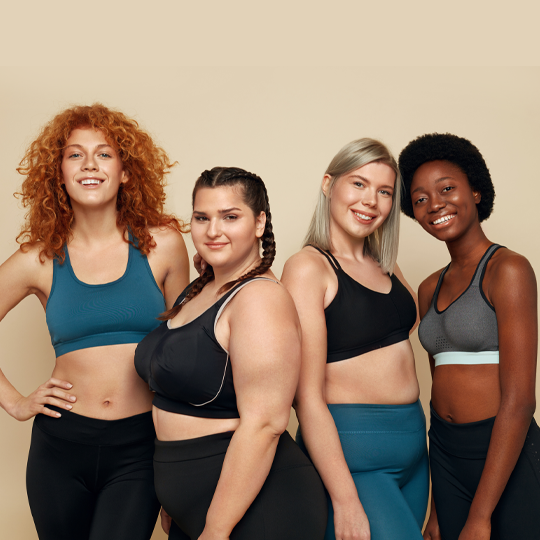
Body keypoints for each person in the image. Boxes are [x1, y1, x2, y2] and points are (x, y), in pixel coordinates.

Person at [0, 104, 190, 540]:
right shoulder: (38, 258)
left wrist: (183, 465)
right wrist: (14, 402)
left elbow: (185, 350)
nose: (89, 164)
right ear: (58, 174)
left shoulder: (162, 243)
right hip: (60, 448)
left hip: (140, 447)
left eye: (104, 154)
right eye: (75, 154)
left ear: (125, 171)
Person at [135, 166, 328, 540]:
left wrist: (218, 528)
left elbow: (267, 423)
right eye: (202, 217)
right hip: (197, 505)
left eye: (230, 217)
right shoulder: (200, 289)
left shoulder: (260, 299)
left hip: (255, 511)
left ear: (259, 223)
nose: (213, 230)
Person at [281, 138, 429, 540]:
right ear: (329, 184)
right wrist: (345, 500)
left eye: (384, 192)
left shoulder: (384, 262)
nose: (371, 201)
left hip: (415, 450)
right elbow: (306, 397)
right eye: (359, 184)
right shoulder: (308, 268)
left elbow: (400, 328)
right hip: (355, 457)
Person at [399, 133, 540, 540]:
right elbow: (436, 386)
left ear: (476, 191)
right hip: (446, 453)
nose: (435, 204)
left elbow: (519, 399)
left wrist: (480, 517)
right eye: (420, 198)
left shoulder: (508, 270)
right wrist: (439, 508)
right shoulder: (428, 288)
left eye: (447, 189)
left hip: (504, 455)